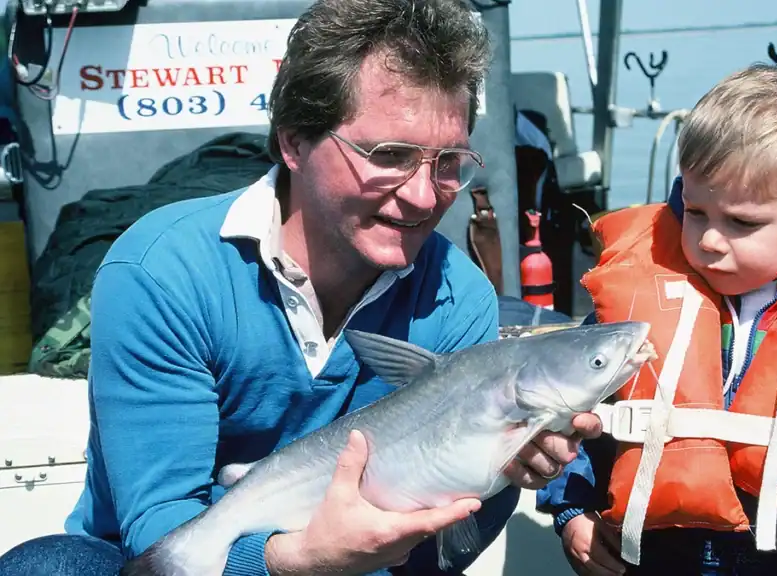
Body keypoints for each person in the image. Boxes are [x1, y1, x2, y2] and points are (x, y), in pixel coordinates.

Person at [0, 1, 602, 575]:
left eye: (448, 163)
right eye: (389, 155)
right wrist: (298, 561)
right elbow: (162, 530)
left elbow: (438, 545)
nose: (424, 197)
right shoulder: (163, 272)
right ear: (293, 142)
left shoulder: (458, 295)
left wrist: (508, 459)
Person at [536, 63, 777, 576]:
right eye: (695, 211)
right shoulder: (635, 305)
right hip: (647, 550)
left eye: (741, 222)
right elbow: (570, 411)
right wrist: (572, 510)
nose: (708, 240)